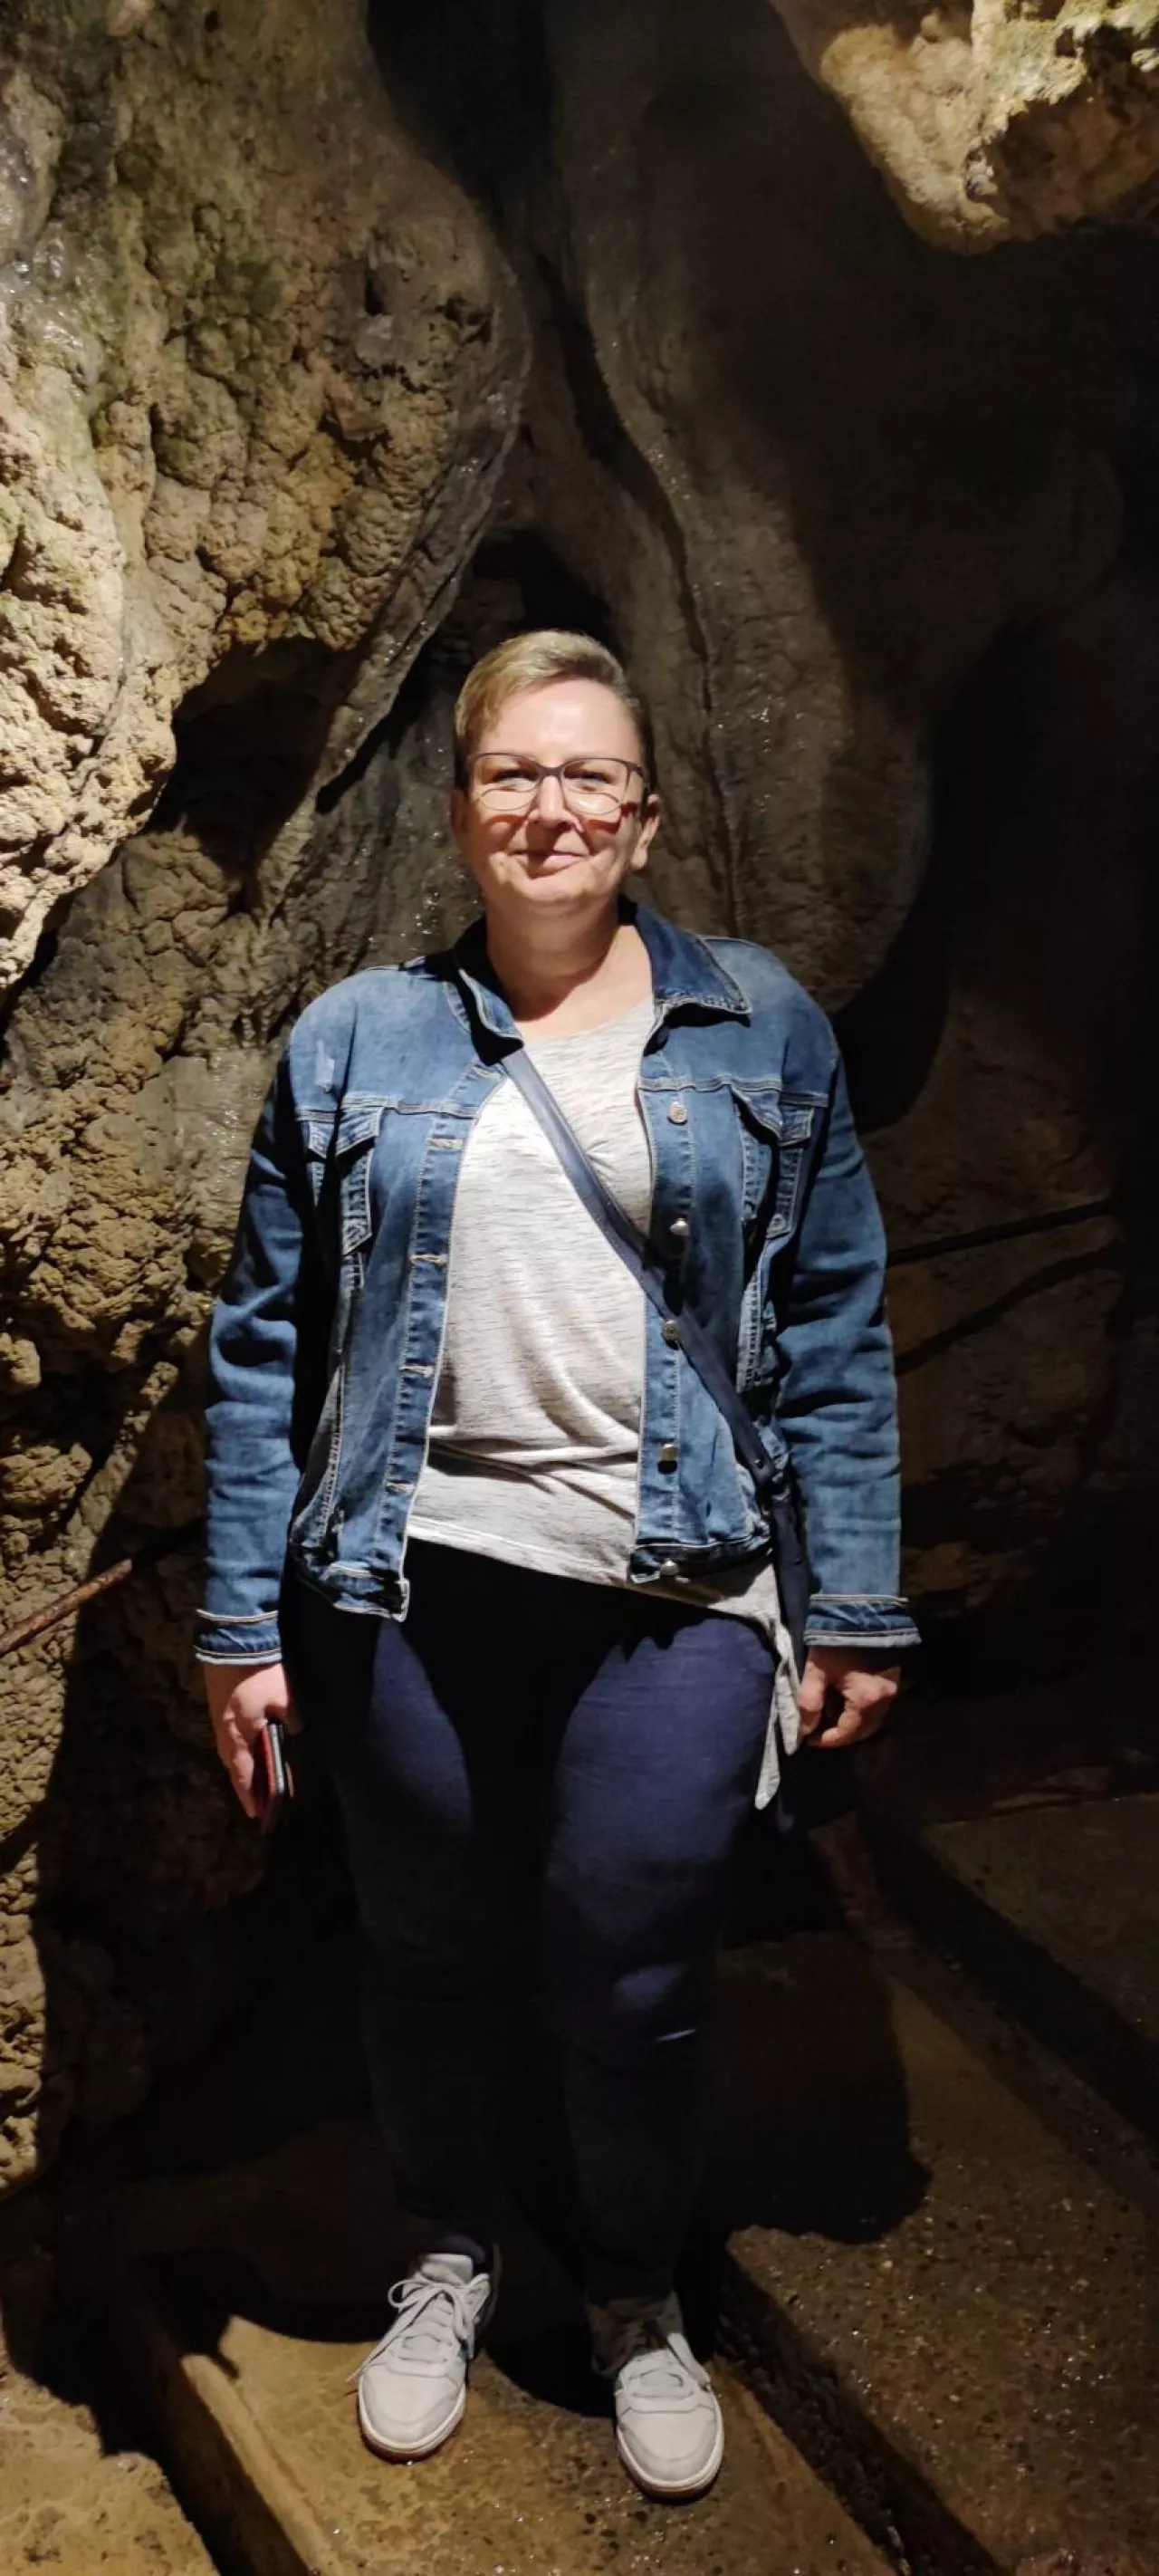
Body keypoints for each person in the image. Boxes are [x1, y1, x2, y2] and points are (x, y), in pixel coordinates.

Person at [198, 630, 917, 2502]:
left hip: (676, 1589)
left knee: (633, 1970)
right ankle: (450, 2252)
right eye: (514, 773)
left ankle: (628, 2291)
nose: (552, 809)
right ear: (461, 813)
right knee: (428, 1954)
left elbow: (833, 1329)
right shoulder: (359, 1038)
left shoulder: (760, 1027)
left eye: (589, 774)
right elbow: (266, 1348)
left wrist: (853, 1598)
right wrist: (236, 1626)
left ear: (645, 817)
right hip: (408, 1582)